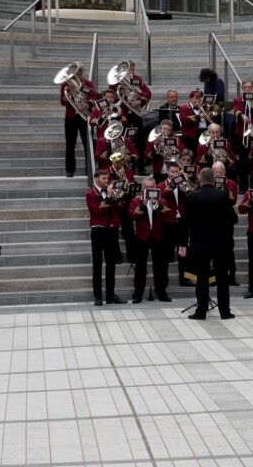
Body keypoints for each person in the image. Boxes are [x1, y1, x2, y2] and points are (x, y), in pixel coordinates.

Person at [179, 168, 238, 321]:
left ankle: (201, 311)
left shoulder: (191, 197)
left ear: (199, 179)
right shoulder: (222, 195)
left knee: (202, 278)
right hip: (221, 244)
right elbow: (233, 219)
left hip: (200, 243)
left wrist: (183, 244)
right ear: (213, 180)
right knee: (222, 279)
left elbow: (185, 223)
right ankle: (225, 312)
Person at [86, 170, 126, 306]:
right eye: (103, 178)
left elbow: (120, 209)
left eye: (107, 178)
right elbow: (98, 210)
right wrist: (108, 197)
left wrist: (117, 198)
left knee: (111, 264)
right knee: (97, 264)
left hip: (112, 230)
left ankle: (110, 295)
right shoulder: (91, 193)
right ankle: (97, 296)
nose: (106, 180)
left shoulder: (111, 191)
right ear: (96, 179)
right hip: (98, 230)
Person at [129, 177, 172, 303]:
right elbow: (133, 216)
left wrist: (158, 205)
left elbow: (169, 215)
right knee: (140, 267)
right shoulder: (136, 201)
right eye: (147, 188)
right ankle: (138, 294)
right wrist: (144, 203)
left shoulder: (162, 200)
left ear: (156, 188)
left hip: (158, 236)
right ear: (142, 189)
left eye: (151, 187)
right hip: (142, 237)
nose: (149, 189)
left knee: (160, 266)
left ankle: (161, 292)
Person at [61, 63, 98, 177]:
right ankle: (70, 169)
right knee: (70, 144)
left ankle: (89, 170)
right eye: (76, 73)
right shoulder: (65, 84)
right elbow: (62, 101)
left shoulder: (87, 83)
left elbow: (94, 96)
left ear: (82, 73)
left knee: (87, 143)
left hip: (84, 117)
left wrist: (87, 104)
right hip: (71, 117)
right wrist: (70, 97)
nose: (78, 75)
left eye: (79, 73)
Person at [213, 161, 240, 287]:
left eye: (220, 172)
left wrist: (226, 191)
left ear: (225, 173)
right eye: (216, 172)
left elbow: (233, 201)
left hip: (227, 220)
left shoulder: (231, 184)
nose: (218, 174)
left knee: (229, 248)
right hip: (213, 220)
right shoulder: (209, 184)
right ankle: (213, 276)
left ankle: (231, 275)